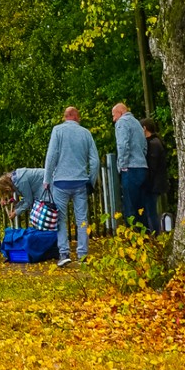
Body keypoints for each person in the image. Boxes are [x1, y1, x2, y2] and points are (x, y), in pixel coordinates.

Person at [43, 107, 100, 266]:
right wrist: (91, 181)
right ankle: (83, 254)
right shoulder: (86, 133)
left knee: (61, 219)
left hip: (61, 182)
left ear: (65, 117)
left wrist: (47, 179)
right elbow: (95, 161)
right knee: (82, 219)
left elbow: (52, 155)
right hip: (81, 182)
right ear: (76, 117)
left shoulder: (58, 131)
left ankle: (64, 254)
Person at [112, 101, 149, 227]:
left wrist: (122, 165)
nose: (113, 119)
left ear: (120, 112)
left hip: (130, 168)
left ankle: (132, 238)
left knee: (130, 207)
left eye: (114, 115)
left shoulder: (122, 122)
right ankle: (145, 236)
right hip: (142, 167)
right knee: (141, 207)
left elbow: (123, 145)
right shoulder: (138, 124)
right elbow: (144, 146)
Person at [141, 119, 169, 237]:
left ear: (144, 128)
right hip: (155, 182)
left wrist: (146, 181)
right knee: (150, 210)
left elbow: (152, 165)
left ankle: (155, 234)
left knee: (151, 211)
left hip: (153, 183)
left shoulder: (153, 144)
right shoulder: (156, 142)